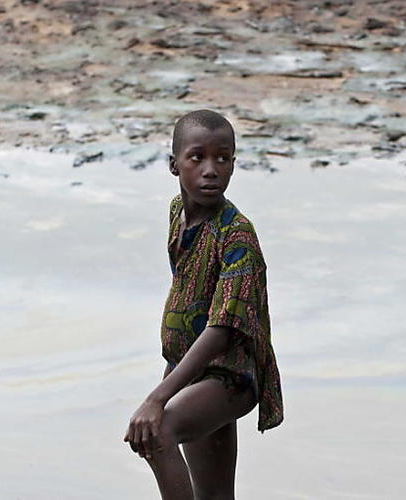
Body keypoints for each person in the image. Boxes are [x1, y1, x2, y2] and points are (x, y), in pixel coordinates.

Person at [124, 109, 283, 499]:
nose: (211, 169)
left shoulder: (237, 237)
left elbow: (221, 329)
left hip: (228, 376)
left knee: (158, 431)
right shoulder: (178, 214)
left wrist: (158, 397)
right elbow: (189, 291)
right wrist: (172, 375)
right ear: (174, 165)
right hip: (189, 368)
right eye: (197, 157)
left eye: (223, 158)